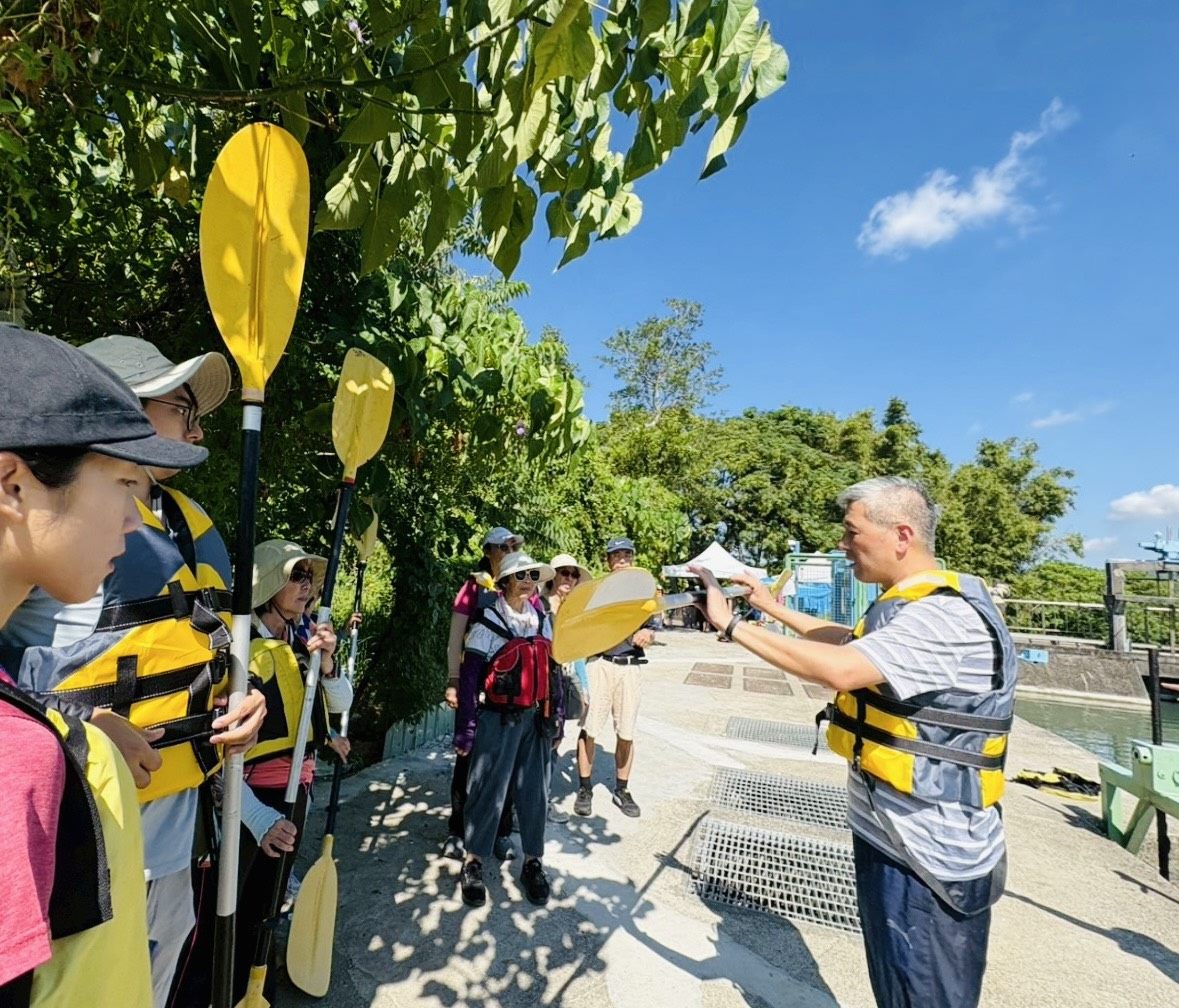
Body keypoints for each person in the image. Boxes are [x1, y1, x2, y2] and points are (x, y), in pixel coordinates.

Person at [0, 335, 268, 1007]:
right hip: (80, 849)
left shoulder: (173, 523)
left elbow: (194, 648)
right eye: (181, 404)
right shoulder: (57, 526)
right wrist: (75, 728)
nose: (195, 426)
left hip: (168, 831)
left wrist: (244, 694)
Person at [691, 476, 1015, 1008]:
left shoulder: (941, 615)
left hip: (924, 855)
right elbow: (847, 640)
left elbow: (841, 669)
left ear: (901, 536)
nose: (843, 547)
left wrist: (731, 628)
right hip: (894, 836)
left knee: (921, 994)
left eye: (851, 533)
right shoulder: (914, 606)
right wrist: (769, 608)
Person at [231, 540, 351, 1003]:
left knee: (267, 903)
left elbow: (339, 704)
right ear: (269, 584)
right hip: (253, 803)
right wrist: (258, 819)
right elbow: (219, 759)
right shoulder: (241, 648)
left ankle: (257, 984)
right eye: (296, 576)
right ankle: (235, 987)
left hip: (294, 792)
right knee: (240, 909)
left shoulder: (303, 640)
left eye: (308, 577)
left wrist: (328, 664)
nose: (306, 585)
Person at [453, 551, 563, 908]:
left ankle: (533, 862)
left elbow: (553, 669)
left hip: (534, 719)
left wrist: (556, 713)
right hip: (497, 718)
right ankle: (473, 863)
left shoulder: (541, 618)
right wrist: (465, 729)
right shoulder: (487, 620)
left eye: (534, 575)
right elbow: (470, 680)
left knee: (535, 793)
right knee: (486, 790)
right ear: (504, 582)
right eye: (522, 576)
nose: (530, 581)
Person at [442, 526, 522, 861]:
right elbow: (455, 638)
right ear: (488, 551)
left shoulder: (525, 586)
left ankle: (502, 830)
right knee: (466, 760)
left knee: (509, 764)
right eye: (503, 547)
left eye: (514, 545)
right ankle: (458, 831)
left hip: (512, 692)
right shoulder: (472, 588)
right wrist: (453, 680)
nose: (509, 550)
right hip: (476, 688)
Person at [574, 537, 654, 819]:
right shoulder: (597, 592)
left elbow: (652, 627)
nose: (621, 560)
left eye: (626, 555)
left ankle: (622, 789)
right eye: (615, 555)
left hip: (629, 666)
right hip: (599, 664)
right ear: (607, 560)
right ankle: (585, 788)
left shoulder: (644, 592)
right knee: (590, 728)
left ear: (632, 558)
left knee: (627, 732)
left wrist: (648, 635)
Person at [541, 552, 591, 824]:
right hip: (539, 685)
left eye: (574, 574)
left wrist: (584, 688)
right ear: (553, 576)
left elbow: (579, 653)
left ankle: (542, 801)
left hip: (561, 684)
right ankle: (524, 805)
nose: (569, 579)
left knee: (554, 742)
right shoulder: (538, 605)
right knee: (537, 744)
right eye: (564, 572)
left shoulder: (573, 611)